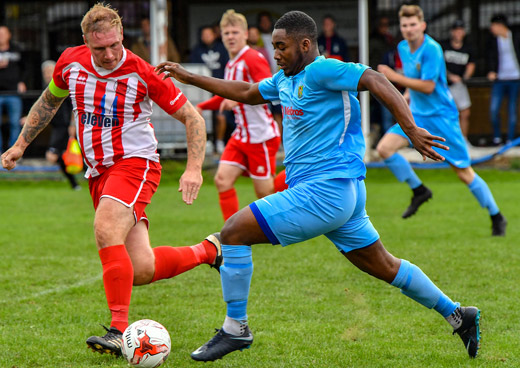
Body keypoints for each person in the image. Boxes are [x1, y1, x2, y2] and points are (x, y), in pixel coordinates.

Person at [156, 10, 481, 362]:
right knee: (386, 266)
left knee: (233, 232)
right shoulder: (284, 78)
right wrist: (189, 77)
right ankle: (458, 314)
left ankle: (236, 329)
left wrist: (410, 128)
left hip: (326, 191)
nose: (275, 54)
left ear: (305, 44)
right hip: (343, 196)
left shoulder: (323, 70)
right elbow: (248, 92)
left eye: (281, 47)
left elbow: (375, 79)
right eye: (274, 47)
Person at [1, 3, 222, 357]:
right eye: (99, 48)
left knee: (105, 228)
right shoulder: (70, 63)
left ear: (123, 36)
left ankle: (119, 331)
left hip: (136, 165)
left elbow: (193, 119)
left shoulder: (141, 72)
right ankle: (210, 250)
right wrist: (20, 145)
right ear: (85, 41)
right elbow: (47, 102)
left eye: (114, 45)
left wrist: (194, 168)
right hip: (97, 173)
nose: (108, 54)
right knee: (141, 269)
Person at [377, 5, 507, 236]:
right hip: (416, 115)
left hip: (441, 117)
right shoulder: (402, 47)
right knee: (384, 148)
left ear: (423, 26)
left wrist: (394, 77)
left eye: (413, 24)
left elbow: (428, 86)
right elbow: (413, 81)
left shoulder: (433, 49)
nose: (408, 29)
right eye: (404, 25)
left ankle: (496, 215)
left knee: (463, 171)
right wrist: (406, 96)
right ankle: (419, 191)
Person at [196, 10, 281, 222]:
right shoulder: (232, 63)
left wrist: (241, 98)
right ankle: (231, 231)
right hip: (242, 136)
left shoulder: (252, 58)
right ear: (221, 37)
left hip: (260, 136)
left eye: (235, 32)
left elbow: (269, 90)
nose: (231, 37)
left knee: (265, 192)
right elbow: (226, 95)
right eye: (226, 33)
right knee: (222, 180)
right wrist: (201, 107)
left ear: (245, 34)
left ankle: (301, 174)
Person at [189, 25, 230, 154]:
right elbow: (193, 69)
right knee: (202, 116)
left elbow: (228, 66)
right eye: (204, 35)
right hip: (202, 90)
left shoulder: (222, 48)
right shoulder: (197, 50)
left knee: (221, 116)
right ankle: (206, 142)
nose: (206, 37)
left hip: (220, 87)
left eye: (209, 34)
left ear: (214, 35)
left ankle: (219, 142)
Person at [41, 60, 80, 190]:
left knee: (52, 155)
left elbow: (73, 107)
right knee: (61, 155)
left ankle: (78, 181)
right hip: (57, 126)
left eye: (49, 71)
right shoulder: (47, 88)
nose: (47, 74)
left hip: (64, 126)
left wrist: (72, 124)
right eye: (45, 72)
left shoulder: (64, 87)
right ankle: (75, 184)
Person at [486, 14, 520, 145]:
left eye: (493, 26)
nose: (491, 29)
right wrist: (491, 71)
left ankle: (510, 139)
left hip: (516, 78)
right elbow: (489, 59)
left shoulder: (516, 37)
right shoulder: (492, 41)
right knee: (494, 109)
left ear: (500, 26)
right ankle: (497, 138)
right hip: (500, 79)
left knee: (512, 110)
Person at [441, 20, 475, 145]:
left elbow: (471, 65)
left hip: (460, 85)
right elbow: (439, 65)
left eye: (460, 30)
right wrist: (450, 76)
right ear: (452, 32)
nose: (458, 33)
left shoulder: (468, 48)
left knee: (465, 112)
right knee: (446, 113)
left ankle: (463, 139)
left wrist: (465, 77)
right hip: (445, 85)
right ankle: (447, 140)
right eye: (456, 30)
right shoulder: (444, 47)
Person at [0, 25, 26, 152]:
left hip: (13, 93)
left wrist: (22, 81)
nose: (1, 36)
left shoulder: (17, 49)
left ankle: (14, 152)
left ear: (9, 35)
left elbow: (25, 68)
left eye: (3, 33)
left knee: (15, 123)